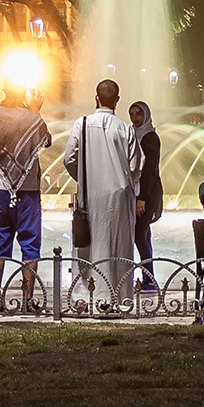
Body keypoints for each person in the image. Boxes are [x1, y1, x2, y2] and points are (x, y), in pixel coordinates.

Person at [63, 79, 142, 307]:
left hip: (89, 194)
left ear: (96, 97)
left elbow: (69, 159)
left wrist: (85, 178)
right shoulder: (125, 128)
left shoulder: (82, 124)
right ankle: (118, 296)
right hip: (119, 198)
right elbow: (135, 166)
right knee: (118, 247)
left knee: (86, 247)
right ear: (117, 100)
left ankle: (83, 297)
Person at [0, 85, 52, 304]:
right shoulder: (31, 118)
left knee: (0, 243)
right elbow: (46, 140)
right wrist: (35, 111)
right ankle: (28, 298)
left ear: (3, 90)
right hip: (28, 189)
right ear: (22, 92)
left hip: (2, 189)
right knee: (30, 245)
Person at [130, 100, 163, 293]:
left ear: (146, 115)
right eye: (132, 114)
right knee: (144, 235)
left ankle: (149, 280)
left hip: (147, 194)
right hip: (138, 193)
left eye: (138, 114)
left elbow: (150, 170)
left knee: (139, 235)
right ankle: (148, 278)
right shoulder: (133, 135)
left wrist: (141, 198)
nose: (135, 118)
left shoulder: (150, 137)